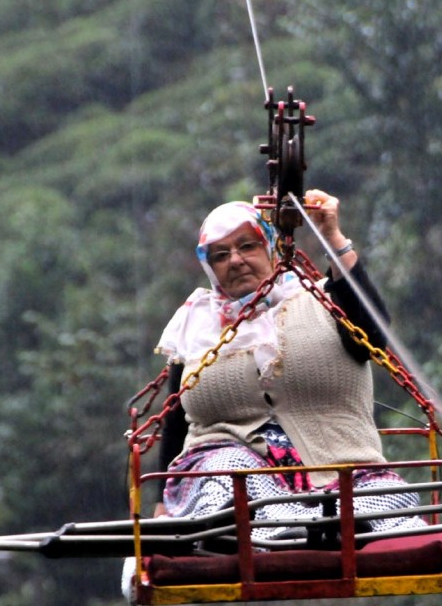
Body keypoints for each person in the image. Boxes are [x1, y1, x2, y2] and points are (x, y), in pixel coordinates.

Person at [148, 189, 424, 539]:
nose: (235, 260)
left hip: (341, 468)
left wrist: (333, 237)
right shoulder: (196, 324)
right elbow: (176, 415)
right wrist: (161, 507)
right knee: (227, 480)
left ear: (270, 247)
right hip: (233, 469)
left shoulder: (325, 299)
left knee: (375, 504)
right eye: (221, 255)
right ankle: (274, 532)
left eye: (247, 246)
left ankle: (333, 530)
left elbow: (373, 333)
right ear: (211, 267)